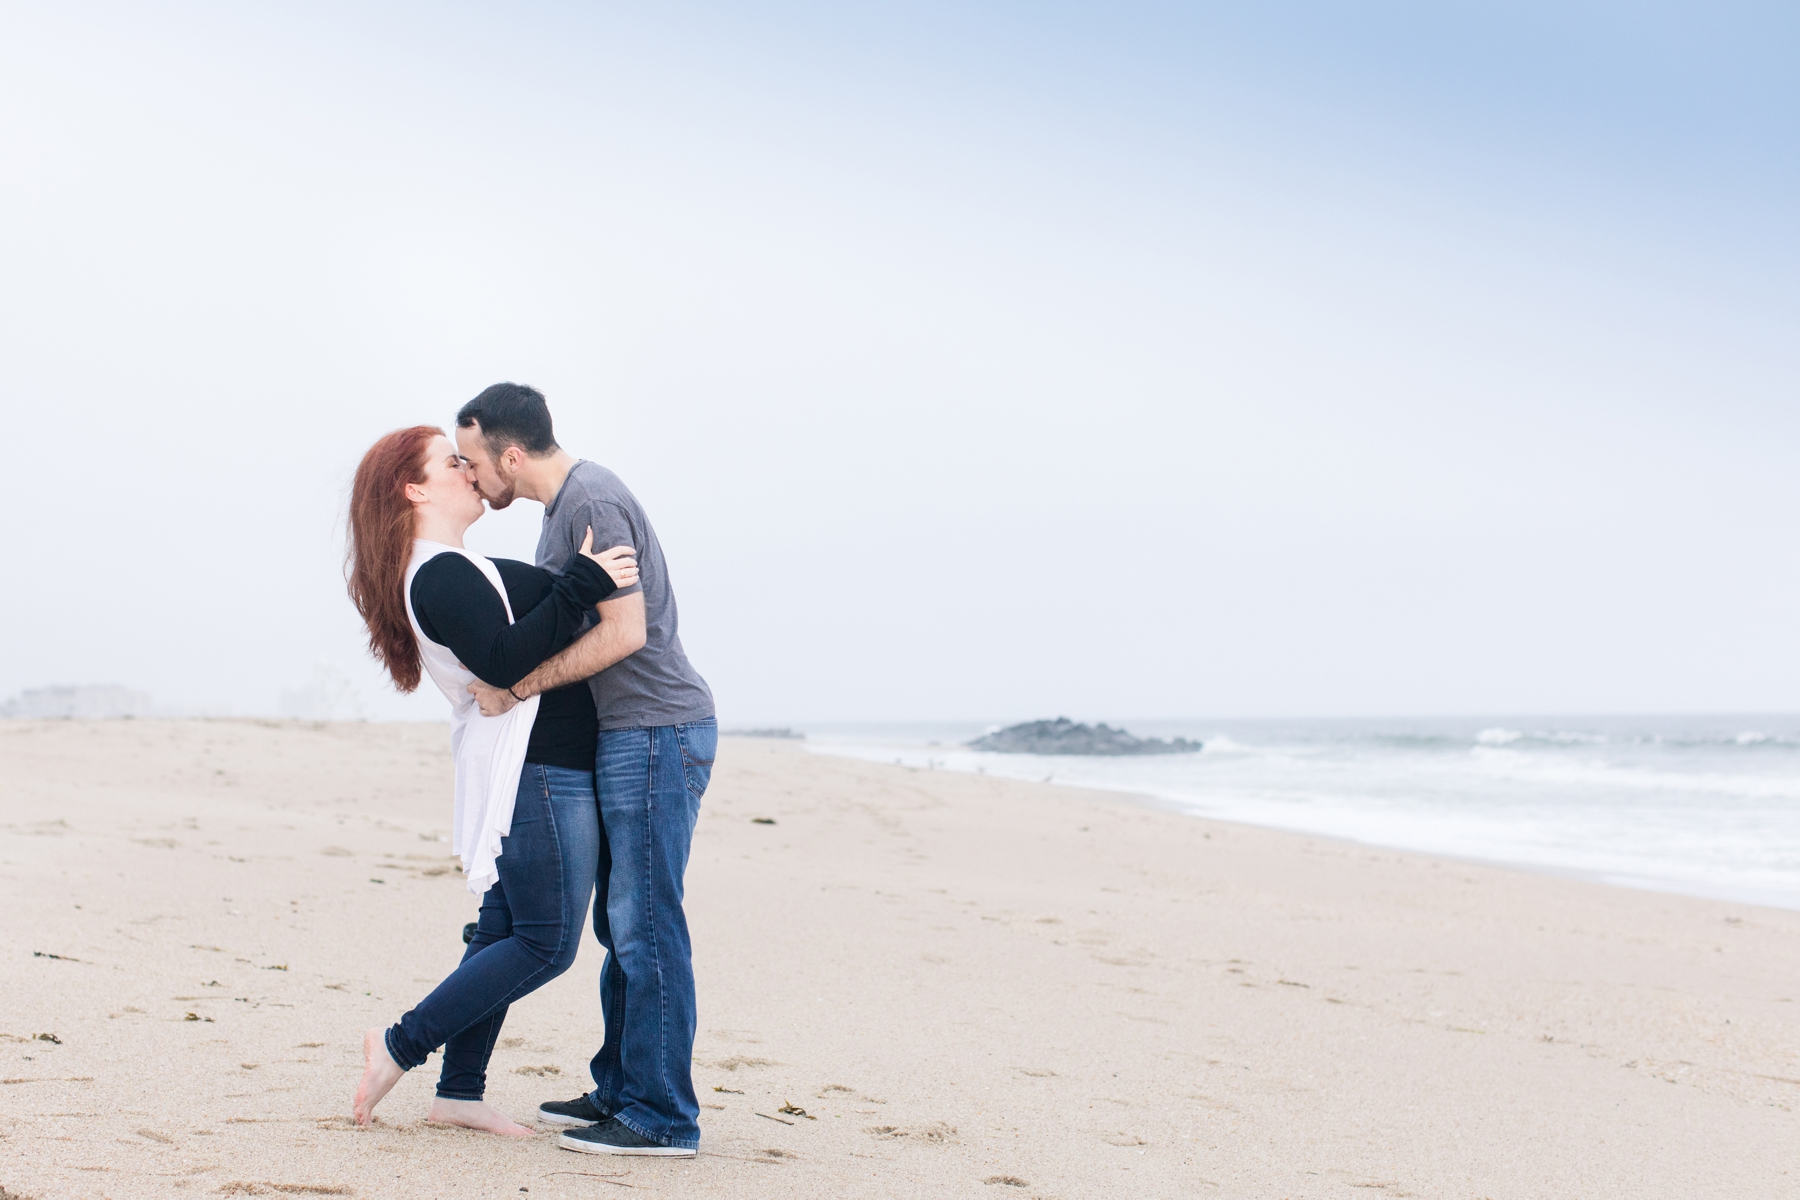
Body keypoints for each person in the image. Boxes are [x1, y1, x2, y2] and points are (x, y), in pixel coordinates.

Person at [343, 424, 640, 1135]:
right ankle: (400, 1043)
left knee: (504, 930)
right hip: (536, 770)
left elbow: (505, 648)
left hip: (530, 762)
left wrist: (570, 588)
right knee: (545, 941)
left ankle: (461, 1093)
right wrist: (581, 584)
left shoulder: (449, 566)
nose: (468, 470)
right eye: (451, 462)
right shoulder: (437, 572)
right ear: (414, 490)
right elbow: (504, 661)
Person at [453, 383, 715, 1158]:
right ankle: (623, 1088)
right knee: (619, 925)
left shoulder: (589, 498)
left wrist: (518, 685)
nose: (470, 477)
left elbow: (626, 631)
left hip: (656, 730)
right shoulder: (561, 509)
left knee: (646, 926)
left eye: (472, 461)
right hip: (628, 736)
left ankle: (662, 1119)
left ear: (508, 453)